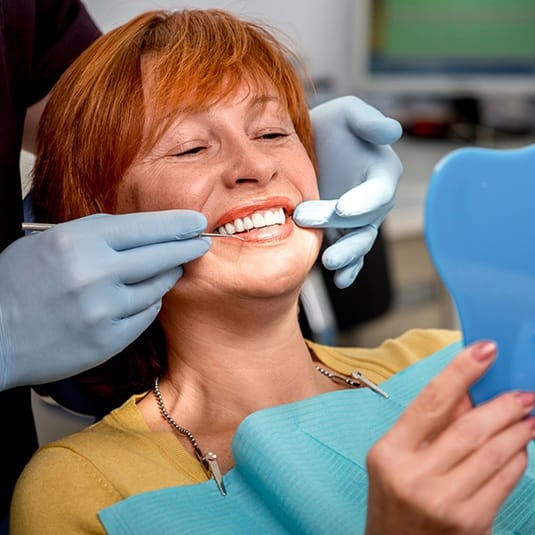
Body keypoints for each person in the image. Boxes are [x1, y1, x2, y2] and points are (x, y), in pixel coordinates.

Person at [10, 9, 535, 534]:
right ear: (99, 221)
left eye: (272, 132)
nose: (256, 167)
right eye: (191, 146)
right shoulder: (81, 490)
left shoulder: (455, 360)